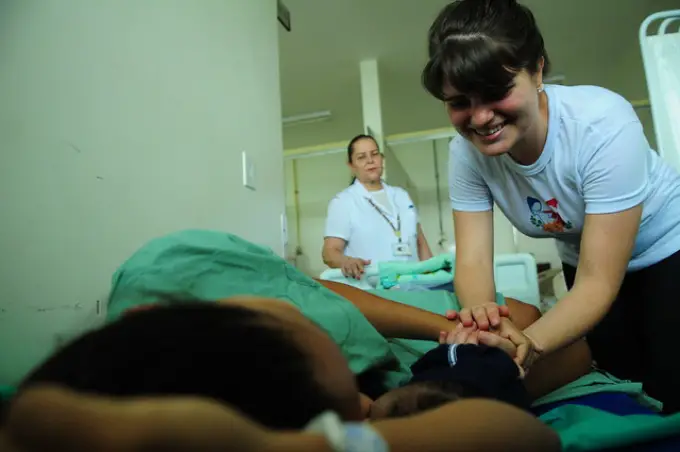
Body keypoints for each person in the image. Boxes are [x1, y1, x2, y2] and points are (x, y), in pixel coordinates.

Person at [422, 0, 680, 413]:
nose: (480, 117)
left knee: (671, 382)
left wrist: (530, 343)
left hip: (668, 249)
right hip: (583, 258)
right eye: (459, 102)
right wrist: (484, 320)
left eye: (496, 92)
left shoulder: (601, 124)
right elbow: (471, 261)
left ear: (537, 70)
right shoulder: (465, 154)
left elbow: (598, 283)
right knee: (622, 374)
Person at [1, 298, 562, 451]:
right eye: (290, 323)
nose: (286, 306)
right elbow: (521, 436)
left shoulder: (344, 404)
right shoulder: (391, 415)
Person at [323, 134, 433, 279]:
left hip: (413, 288)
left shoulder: (401, 195)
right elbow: (329, 252)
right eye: (361, 157)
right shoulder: (343, 202)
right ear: (351, 166)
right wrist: (346, 261)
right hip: (371, 291)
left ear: (381, 159)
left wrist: (434, 274)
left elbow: (420, 242)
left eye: (374, 154)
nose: (370, 161)